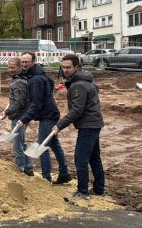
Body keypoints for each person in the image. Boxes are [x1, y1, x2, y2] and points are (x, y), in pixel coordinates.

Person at [53, 54, 105, 200]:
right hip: (94, 123)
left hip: (88, 125)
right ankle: (99, 189)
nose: (65, 70)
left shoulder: (78, 85)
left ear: (77, 67)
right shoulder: (83, 80)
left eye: (68, 67)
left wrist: (59, 125)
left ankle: (82, 191)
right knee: (94, 158)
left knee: (80, 158)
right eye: (63, 67)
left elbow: (77, 110)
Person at [19, 52, 72, 184]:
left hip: (48, 116)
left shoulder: (36, 79)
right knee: (54, 144)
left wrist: (24, 119)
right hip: (50, 113)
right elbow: (51, 82)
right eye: (23, 62)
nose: (24, 64)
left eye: (27, 62)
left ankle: (46, 179)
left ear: (33, 62)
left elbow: (36, 104)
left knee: (42, 147)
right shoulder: (38, 74)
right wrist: (47, 95)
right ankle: (64, 173)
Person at [2, 58, 33, 175]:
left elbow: (19, 102)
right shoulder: (21, 79)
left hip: (19, 116)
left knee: (17, 144)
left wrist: (7, 112)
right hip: (23, 115)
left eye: (13, 67)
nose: (11, 70)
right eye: (9, 67)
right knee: (22, 142)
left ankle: (20, 169)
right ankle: (29, 168)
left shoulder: (19, 82)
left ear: (19, 67)